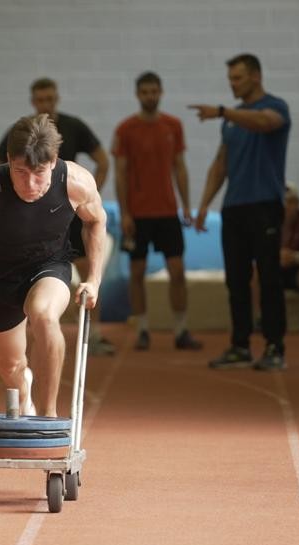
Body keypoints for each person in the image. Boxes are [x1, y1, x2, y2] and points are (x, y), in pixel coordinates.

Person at [0, 114, 107, 417]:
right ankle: (24, 392)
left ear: (54, 160)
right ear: (8, 160)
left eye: (39, 172)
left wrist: (94, 279)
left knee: (45, 317)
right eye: (20, 172)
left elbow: (96, 221)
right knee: (11, 366)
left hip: (49, 265)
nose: (30, 184)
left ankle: (48, 417)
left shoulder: (75, 181)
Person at [0, 77, 114, 355]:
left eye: (50, 99)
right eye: (40, 100)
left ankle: (93, 334)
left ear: (56, 98)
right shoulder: (22, 133)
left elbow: (103, 160)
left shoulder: (73, 126)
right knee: (31, 274)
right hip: (34, 216)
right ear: (33, 101)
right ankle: (37, 333)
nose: (46, 104)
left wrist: (90, 196)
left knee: (89, 272)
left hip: (69, 212)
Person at [191, 53, 291, 371]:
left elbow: (263, 123)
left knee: (269, 278)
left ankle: (275, 346)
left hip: (265, 206)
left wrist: (223, 112)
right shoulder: (231, 123)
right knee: (236, 280)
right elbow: (221, 164)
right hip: (234, 209)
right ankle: (240, 345)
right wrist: (205, 204)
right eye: (230, 79)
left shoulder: (276, 107)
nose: (232, 84)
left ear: (256, 77)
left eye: (238, 78)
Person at [112, 71, 202, 351]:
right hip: (138, 214)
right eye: (145, 92)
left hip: (167, 212)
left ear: (161, 93)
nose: (150, 96)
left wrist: (186, 204)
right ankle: (142, 330)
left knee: (177, 270)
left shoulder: (173, 126)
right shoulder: (125, 129)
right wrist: (125, 213)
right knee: (137, 271)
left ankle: (181, 329)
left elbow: (180, 167)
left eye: (154, 91)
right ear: (138, 95)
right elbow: (121, 174)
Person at [253, 183, 299, 333]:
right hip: (274, 269)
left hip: (298, 272)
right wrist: (276, 257)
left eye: (291, 203)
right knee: (256, 270)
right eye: (284, 203)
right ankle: (259, 317)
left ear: (297, 204)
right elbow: (257, 250)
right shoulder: (267, 222)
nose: (287, 207)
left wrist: (294, 257)